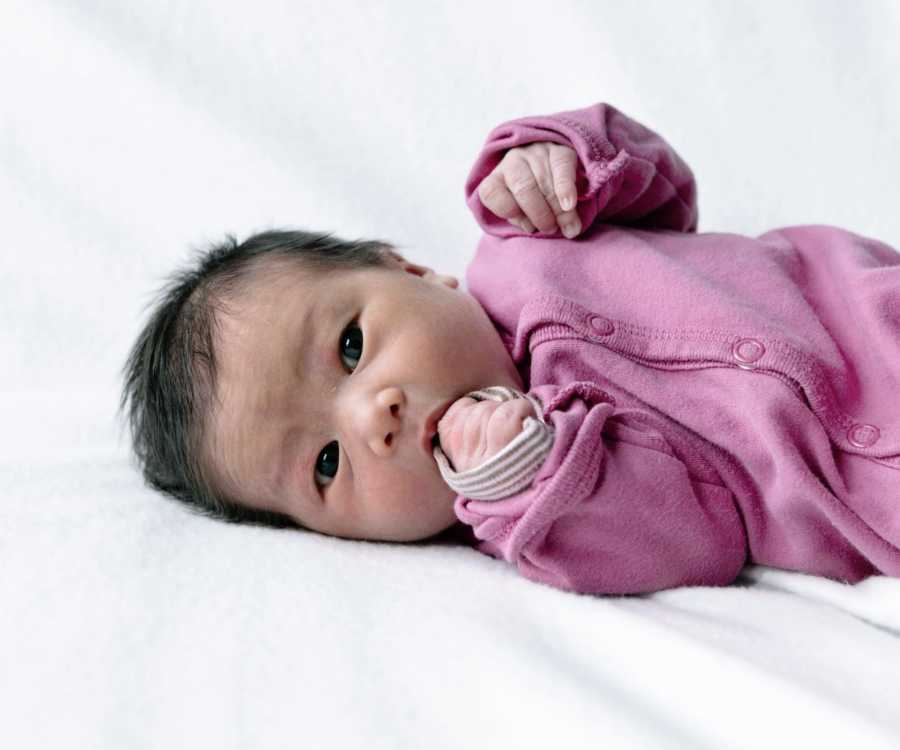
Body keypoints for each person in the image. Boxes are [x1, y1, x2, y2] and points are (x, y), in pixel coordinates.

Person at [121, 101, 900, 595]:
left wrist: (562, 160)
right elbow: (699, 540)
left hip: (860, 299)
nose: (373, 417)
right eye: (327, 464)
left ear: (412, 269)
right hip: (867, 495)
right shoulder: (536, 524)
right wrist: (526, 479)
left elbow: (666, 194)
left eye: (351, 346)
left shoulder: (520, 239)